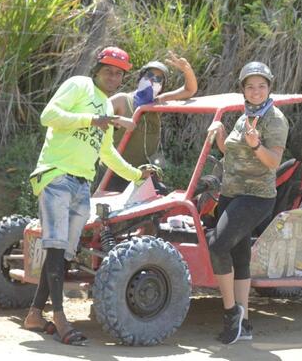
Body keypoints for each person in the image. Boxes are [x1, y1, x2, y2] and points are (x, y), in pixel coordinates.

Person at [23, 46, 153, 346]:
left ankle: (34, 314)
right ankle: (60, 317)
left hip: (82, 185)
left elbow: (106, 151)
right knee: (56, 252)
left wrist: (136, 175)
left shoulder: (107, 107)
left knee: (63, 254)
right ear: (97, 69)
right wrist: (92, 121)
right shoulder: (79, 85)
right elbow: (49, 115)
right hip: (56, 176)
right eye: (108, 69)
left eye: (119, 73)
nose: (113, 75)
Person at [207, 62, 289, 344]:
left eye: (261, 86)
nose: (256, 91)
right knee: (239, 257)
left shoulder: (274, 119)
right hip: (231, 193)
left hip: (256, 196)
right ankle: (245, 323)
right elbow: (231, 153)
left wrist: (256, 145)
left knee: (218, 246)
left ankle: (231, 313)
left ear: (269, 88)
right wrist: (220, 136)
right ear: (243, 89)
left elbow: (273, 162)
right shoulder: (244, 117)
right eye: (250, 86)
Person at [101, 50, 198, 191]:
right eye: (149, 76)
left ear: (162, 87)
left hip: (142, 175)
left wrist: (186, 70)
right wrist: (117, 119)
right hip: (114, 174)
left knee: (162, 200)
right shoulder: (122, 100)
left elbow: (190, 90)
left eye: (158, 80)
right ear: (140, 78)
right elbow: (94, 117)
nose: (153, 81)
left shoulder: (158, 102)